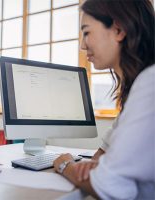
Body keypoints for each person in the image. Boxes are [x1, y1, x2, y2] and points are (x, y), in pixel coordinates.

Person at [53, 0, 155, 199]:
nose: (83, 45)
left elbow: (111, 187)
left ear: (118, 29)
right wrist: (97, 166)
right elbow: (103, 157)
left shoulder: (150, 84)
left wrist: (65, 165)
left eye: (87, 32)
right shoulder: (140, 86)